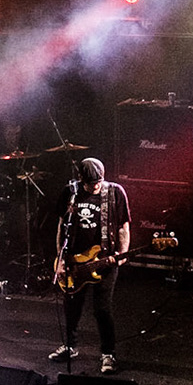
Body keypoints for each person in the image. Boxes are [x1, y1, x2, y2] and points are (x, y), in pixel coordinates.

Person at [51, 155, 130, 373]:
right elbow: (61, 227)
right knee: (71, 307)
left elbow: (123, 226)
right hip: (75, 261)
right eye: (90, 184)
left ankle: (108, 354)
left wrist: (122, 253)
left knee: (102, 310)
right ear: (80, 179)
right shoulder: (70, 193)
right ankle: (69, 346)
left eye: (98, 183)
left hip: (104, 261)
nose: (95, 187)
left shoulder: (114, 192)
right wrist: (60, 260)